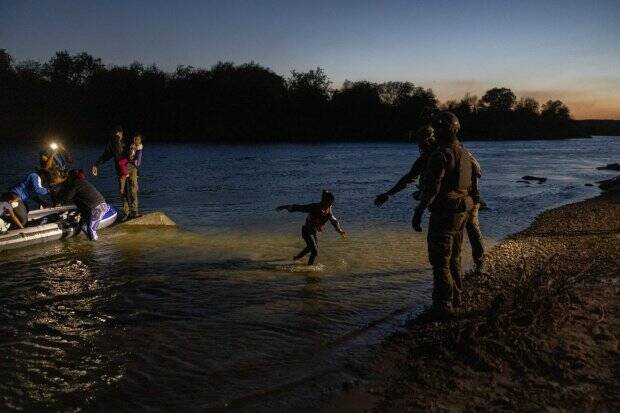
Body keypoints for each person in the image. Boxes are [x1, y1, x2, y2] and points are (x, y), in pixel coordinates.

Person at [411, 111, 479, 317]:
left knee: (440, 260)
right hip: (463, 210)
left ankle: (443, 305)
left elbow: (432, 189)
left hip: (445, 213)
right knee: (454, 257)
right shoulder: (466, 153)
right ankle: (456, 297)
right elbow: (474, 186)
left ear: (443, 130)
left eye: (437, 129)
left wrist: (419, 211)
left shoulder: (440, 155)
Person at [276, 190, 347, 265]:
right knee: (315, 252)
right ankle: (309, 268)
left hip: (314, 232)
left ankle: (296, 258)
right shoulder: (314, 207)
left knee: (310, 248)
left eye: (331, 203)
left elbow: (333, 220)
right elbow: (299, 208)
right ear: (324, 201)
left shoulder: (328, 209)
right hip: (307, 231)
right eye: (329, 203)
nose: (330, 205)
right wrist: (283, 207)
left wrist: (339, 230)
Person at [375, 125, 436, 206]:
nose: (419, 145)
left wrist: (388, 194)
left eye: (420, 142)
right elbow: (409, 178)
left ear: (427, 141)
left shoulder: (427, 158)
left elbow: (409, 178)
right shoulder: (449, 151)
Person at [52, 170, 111, 241]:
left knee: (91, 228)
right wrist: (78, 213)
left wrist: (58, 202)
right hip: (96, 206)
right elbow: (82, 201)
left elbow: (67, 197)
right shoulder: (81, 182)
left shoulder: (76, 184)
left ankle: (95, 246)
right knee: (83, 225)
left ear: (71, 177)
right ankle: (92, 240)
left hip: (97, 208)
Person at [91, 126, 135, 219]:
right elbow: (106, 156)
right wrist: (96, 165)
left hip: (130, 168)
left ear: (119, 133)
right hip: (122, 170)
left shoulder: (126, 141)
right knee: (124, 191)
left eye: (117, 134)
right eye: (115, 134)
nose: (116, 136)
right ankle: (128, 213)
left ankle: (133, 212)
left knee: (131, 190)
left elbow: (135, 153)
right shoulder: (113, 143)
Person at [116, 132, 143, 220]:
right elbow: (122, 158)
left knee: (133, 189)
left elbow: (138, 161)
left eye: (138, 139)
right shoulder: (127, 145)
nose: (136, 141)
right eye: (135, 139)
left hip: (133, 169)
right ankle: (126, 212)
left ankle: (134, 211)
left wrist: (137, 170)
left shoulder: (139, 149)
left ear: (140, 140)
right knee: (122, 190)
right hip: (123, 168)